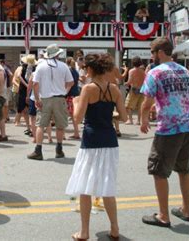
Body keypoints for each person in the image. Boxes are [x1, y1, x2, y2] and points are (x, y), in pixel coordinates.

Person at [66, 53, 127, 241]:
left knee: (85, 186)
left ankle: (84, 231)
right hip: (109, 139)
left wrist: (76, 103)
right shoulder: (114, 89)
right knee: (107, 185)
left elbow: (77, 118)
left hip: (91, 140)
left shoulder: (88, 89)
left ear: (90, 69)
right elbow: (124, 118)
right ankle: (114, 228)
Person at [140, 38, 189, 228]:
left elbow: (146, 102)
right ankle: (186, 210)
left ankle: (163, 215)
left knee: (159, 171)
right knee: (184, 169)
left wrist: (144, 119)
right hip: (188, 125)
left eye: (153, 52)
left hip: (168, 128)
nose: (151, 56)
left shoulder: (155, 73)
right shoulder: (186, 72)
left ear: (161, 52)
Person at [28, 44, 74, 160]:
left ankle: (38, 150)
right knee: (60, 125)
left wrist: (37, 99)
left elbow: (35, 84)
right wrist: (64, 92)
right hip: (59, 98)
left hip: (45, 98)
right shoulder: (64, 66)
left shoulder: (41, 66)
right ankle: (59, 149)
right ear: (58, 54)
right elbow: (71, 82)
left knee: (40, 125)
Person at [124, 56, 146, 125]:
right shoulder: (143, 72)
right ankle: (138, 121)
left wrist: (125, 83)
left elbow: (129, 81)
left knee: (128, 105)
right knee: (140, 106)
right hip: (142, 89)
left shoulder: (131, 71)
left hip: (133, 90)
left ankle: (130, 120)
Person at [66, 57, 81, 140]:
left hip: (70, 94)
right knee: (73, 115)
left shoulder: (69, 71)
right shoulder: (75, 71)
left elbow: (68, 83)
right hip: (76, 93)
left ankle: (63, 133)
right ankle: (76, 132)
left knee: (66, 113)